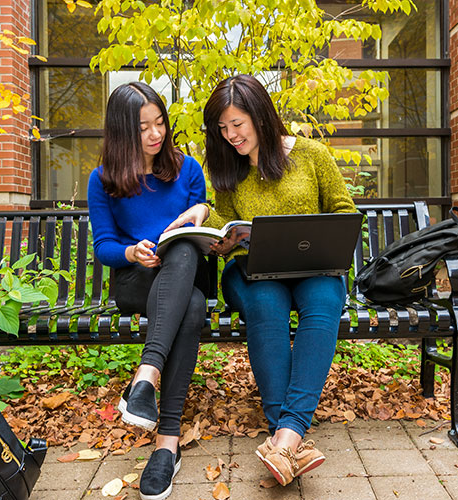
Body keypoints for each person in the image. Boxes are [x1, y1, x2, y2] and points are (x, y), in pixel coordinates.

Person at [165, 74, 357, 487]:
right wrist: (207, 223)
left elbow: (343, 212)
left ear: (261, 116)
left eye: (238, 124)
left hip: (316, 267)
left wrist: (318, 235)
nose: (231, 135)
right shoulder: (230, 168)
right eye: (222, 128)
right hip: (253, 270)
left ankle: (284, 438)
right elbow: (223, 223)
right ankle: (291, 437)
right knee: (266, 305)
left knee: (323, 304)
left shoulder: (311, 155)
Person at [88, 82, 208, 500]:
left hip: (184, 269)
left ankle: (147, 382)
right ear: (123, 131)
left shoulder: (188, 169)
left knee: (184, 254)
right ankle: (167, 440)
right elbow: (103, 246)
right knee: (190, 305)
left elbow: (202, 235)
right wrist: (131, 252)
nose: (156, 134)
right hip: (137, 280)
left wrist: (199, 214)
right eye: (143, 128)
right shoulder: (103, 179)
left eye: (160, 123)